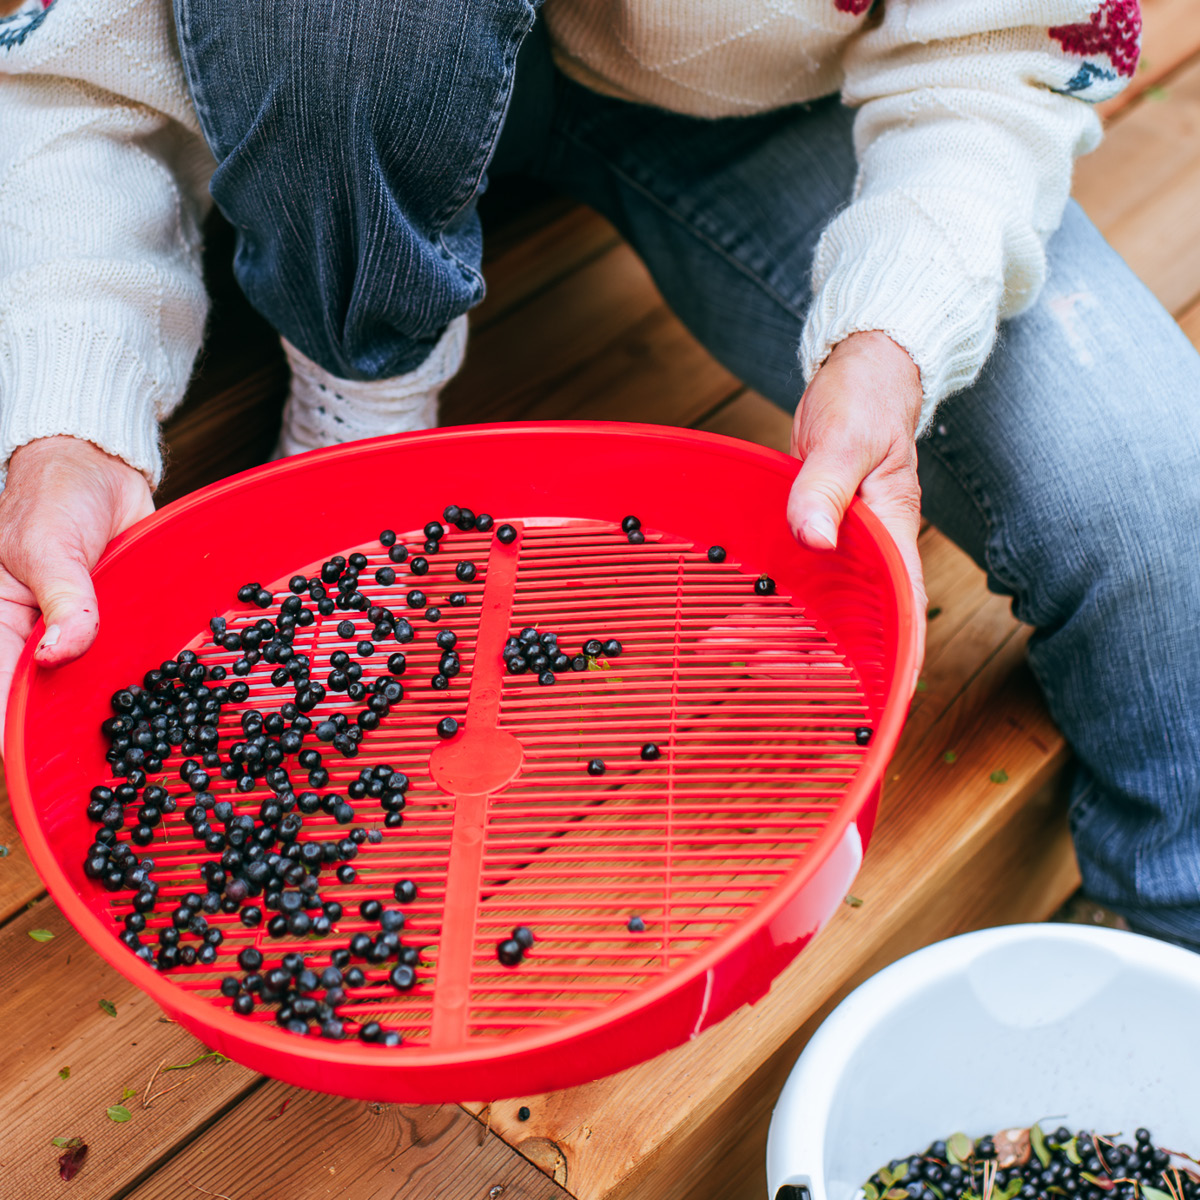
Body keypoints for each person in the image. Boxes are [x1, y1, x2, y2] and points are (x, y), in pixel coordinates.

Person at [2, 0, 1200, 950]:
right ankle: (363, 389)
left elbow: (1000, 51)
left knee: (1152, 494)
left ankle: (1166, 966)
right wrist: (69, 420)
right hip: (328, 95)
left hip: (749, 104)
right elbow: (79, 65)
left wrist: (892, 335)